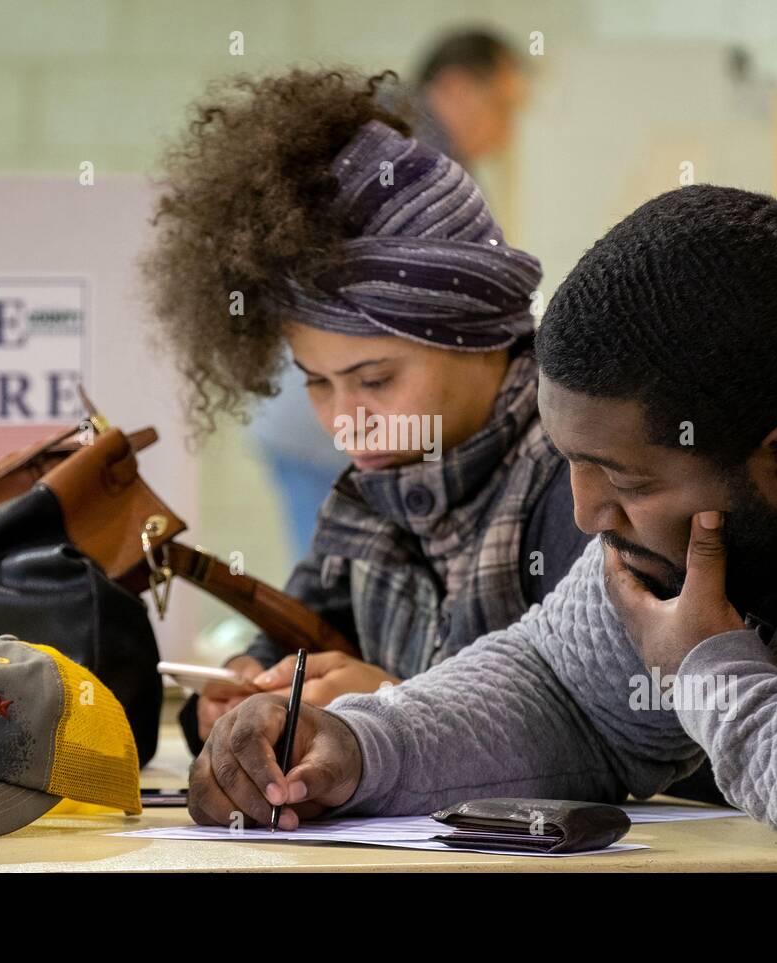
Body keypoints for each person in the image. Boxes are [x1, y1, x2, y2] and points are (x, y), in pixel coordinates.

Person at [186, 185, 777, 873]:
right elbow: (559, 688)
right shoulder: (710, 478)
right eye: (572, 464)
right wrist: (361, 745)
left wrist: (715, 679)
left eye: (625, 480)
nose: (590, 515)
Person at [142, 69, 594, 762]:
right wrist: (239, 699)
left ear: (474, 333)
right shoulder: (370, 497)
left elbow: (610, 739)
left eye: (375, 378)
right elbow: (298, 635)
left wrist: (393, 712)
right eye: (316, 383)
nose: (346, 422)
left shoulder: (580, 488)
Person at [250, 28, 530, 559]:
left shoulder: (400, 150)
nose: (507, 133)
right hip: (316, 438)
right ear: (457, 88)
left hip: (312, 424)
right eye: (504, 108)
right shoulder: (408, 159)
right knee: (335, 583)